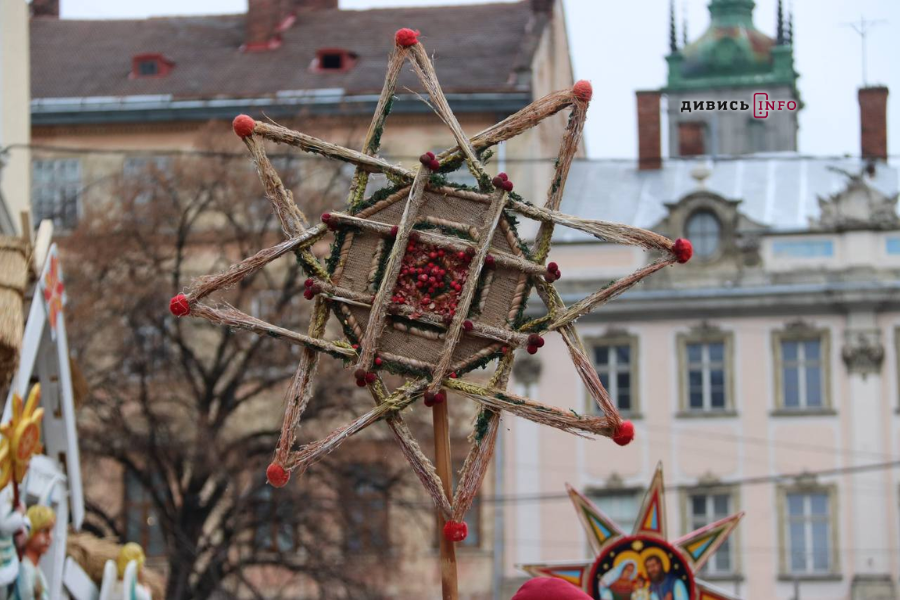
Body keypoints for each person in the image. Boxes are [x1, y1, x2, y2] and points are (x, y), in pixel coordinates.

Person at [14, 505, 54, 600]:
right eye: (44, 530)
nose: (49, 537)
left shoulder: (36, 570)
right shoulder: (23, 567)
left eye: (51, 531)